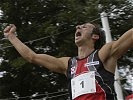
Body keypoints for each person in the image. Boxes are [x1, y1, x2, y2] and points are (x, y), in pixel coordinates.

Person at [3, 23, 133, 100]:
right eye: (79, 26)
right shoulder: (68, 64)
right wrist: (12, 37)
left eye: (84, 27)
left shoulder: (103, 54)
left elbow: (128, 38)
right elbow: (32, 57)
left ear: (95, 36)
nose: (78, 27)